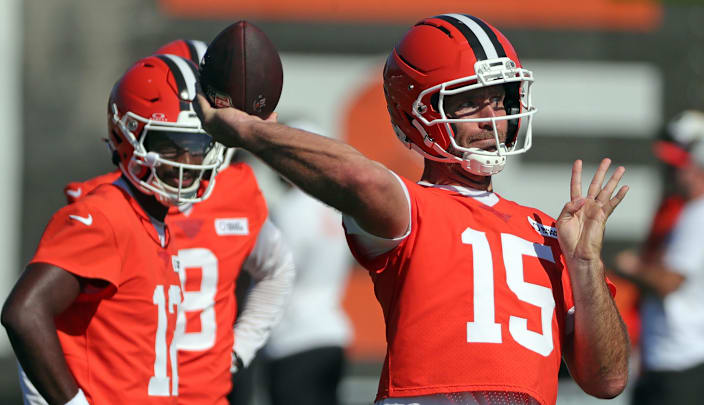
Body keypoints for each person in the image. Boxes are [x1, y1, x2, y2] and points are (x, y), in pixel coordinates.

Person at [195, 13, 630, 405]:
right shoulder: (412, 209)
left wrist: (587, 264)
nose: (490, 117)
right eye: (467, 101)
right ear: (414, 116)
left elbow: (607, 380)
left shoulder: (552, 233)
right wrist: (247, 130)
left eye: (498, 98)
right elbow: (359, 178)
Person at [54, 39, 296, 405]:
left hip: (206, 393)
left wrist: (238, 350)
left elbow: (277, 270)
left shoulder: (237, 190)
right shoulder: (107, 202)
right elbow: (40, 316)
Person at [1, 54, 225, 404]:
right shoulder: (106, 216)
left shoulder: (158, 221)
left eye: (197, 146)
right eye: (169, 145)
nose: (186, 162)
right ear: (128, 137)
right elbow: (24, 313)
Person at [257, 120, 353, 405]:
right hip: (332, 332)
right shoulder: (339, 209)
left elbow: (273, 275)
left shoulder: (290, 210)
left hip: (292, 338)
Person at [615, 111, 704, 405]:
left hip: (683, 363)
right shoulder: (679, 211)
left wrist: (631, 266)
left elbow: (668, 281)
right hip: (665, 360)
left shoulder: (698, 214)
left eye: (678, 165)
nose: (670, 171)